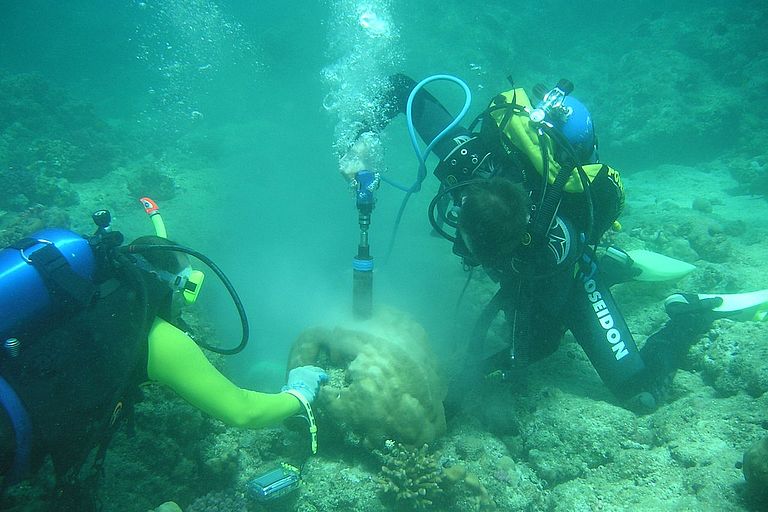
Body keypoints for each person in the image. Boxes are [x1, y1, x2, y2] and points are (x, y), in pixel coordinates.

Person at [340, 73, 767, 413]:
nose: (463, 251)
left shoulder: (549, 249)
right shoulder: (467, 162)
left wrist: (468, 382)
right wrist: (362, 141)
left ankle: (688, 315)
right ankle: (619, 263)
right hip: (530, 260)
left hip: (573, 274)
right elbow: (401, 87)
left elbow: (539, 343)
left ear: (517, 243)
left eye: (478, 251)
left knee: (638, 392)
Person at [0, 211, 327, 510]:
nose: (186, 307)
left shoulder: (87, 290)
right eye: (189, 292)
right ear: (175, 283)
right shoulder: (157, 336)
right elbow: (242, 410)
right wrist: (299, 393)